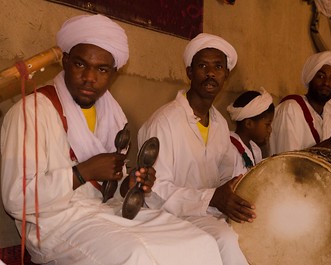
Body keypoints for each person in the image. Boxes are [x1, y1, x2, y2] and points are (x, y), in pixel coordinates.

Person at [1, 14, 224, 265]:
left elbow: (109, 194)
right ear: (65, 62)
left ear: (113, 74)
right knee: (136, 255)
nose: (90, 78)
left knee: (198, 243)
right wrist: (83, 172)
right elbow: (15, 200)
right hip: (54, 226)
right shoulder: (31, 112)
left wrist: (130, 185)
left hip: (104, 214)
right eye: (81, 65)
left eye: (102, 69)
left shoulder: (113, 116)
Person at [138, 33, 255, 265]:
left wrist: (233, 196)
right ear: (190, 73)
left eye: (218, 67)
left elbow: (224, 177)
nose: (211, 73)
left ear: (226, 75)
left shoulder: (220, 124)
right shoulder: (164, 121)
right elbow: (155, 191)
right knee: (226, 239)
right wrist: (211, 199)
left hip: (209, 211)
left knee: (254, 229)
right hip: (171, 214)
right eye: (202, 66)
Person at [269, 51, 331, 155]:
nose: (326, 83)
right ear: (310, 77)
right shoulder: (290, 110)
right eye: (320, 76)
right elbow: (286, 162)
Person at [226, 89, 274, 176]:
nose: (270, 130)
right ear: (249, 124)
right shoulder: (229, 149)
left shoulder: (255, 149)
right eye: (267, 124)